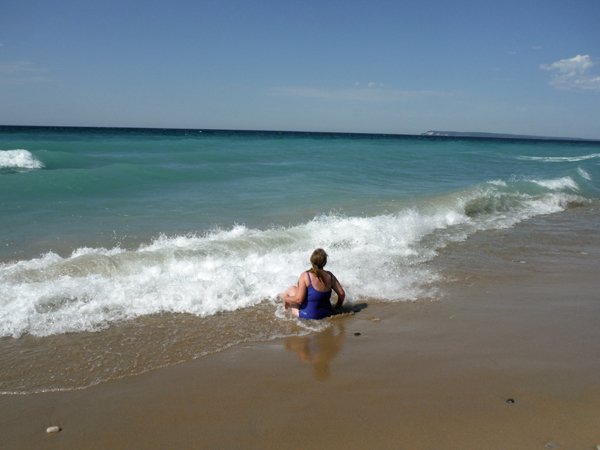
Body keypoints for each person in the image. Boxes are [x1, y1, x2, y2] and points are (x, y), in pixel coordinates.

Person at [282, 248, 345, 319]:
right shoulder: (330, 276)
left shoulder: (305, 275)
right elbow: (341, 294)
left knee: (293, 289)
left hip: (308, 316)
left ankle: (284, 311)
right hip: (328, 314)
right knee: (299, 288)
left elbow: (298, 300)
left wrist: (285, 299)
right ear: (325, 262)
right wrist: (337, 308)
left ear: (312, 260)